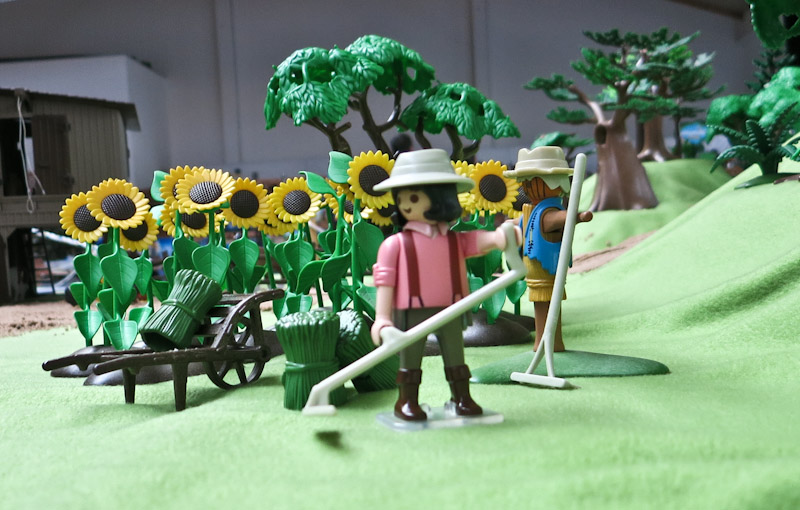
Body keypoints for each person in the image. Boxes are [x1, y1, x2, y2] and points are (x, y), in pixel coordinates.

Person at [370, 148, 521, 421]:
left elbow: (479, 241)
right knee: (410, 358)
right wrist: (382, 318)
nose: (406, 205)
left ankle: (461, 397)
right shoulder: (394, 245)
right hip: (412, 311)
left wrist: (501, 238)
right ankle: (407, 401)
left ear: (441, 197)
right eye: (401, 198)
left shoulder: (453, 240)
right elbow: (385, 281)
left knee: (455, 356)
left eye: (414, 197)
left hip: (452, 309)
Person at [503, 146, 593, 352]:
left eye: (532, 182)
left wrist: (577, 216)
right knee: (542, 307)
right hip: (535, 272)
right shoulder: (533, 210)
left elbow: (559, 218)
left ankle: (552, 342)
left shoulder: (549, 212)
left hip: (547, 271)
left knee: (549, 307)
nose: (527, 188)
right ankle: (543, 342)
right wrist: (509, 225)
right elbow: (524, 222)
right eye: (525, 183)